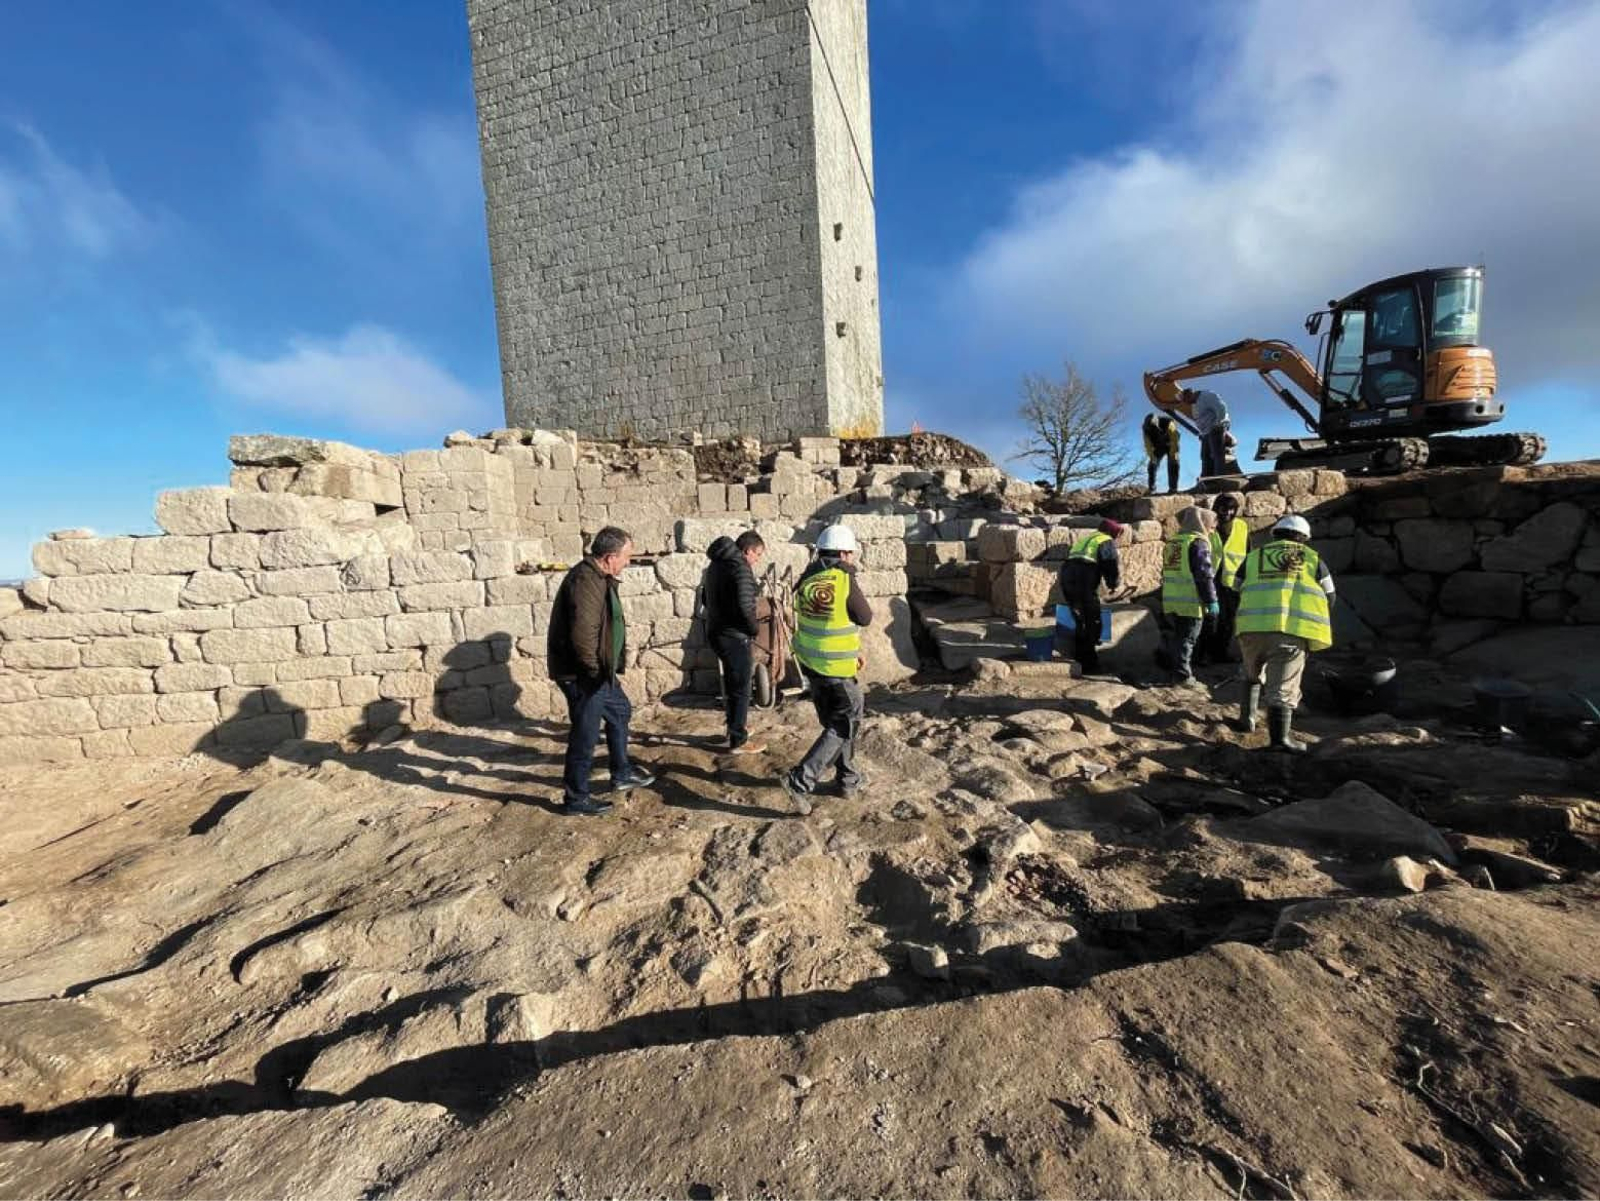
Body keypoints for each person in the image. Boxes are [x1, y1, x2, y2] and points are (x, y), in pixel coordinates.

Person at [547, 526, 655, 815]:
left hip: (597, 672)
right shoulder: (586, 582)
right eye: (626, 557)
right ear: (609, 557)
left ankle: (621, 772)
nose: (628, 563)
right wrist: (595, 673)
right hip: (583, 674)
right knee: (585, 735)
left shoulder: (598, 577)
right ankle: (576, 798)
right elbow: (583, 637)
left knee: (620, 711)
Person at [780, 523, 872, 814]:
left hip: (813, 667)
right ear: (845, 553)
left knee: (836, 726)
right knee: (844, 726)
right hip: (836, 671)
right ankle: (799, 781)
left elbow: (822, 623)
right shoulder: (843, 579)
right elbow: (864, 616)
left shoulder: (807, 581)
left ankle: (847, 779)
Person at [1235, 514, 1335, 752]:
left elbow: (1237, 586)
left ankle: (1246, 720)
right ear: (1303, 538)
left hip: (1250, 628)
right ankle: (1280, 740)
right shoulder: (1312, 559)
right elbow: (1330, 594)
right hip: (1290, 631)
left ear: (1275, 534)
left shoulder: (1253, 557)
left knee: (1251, 673)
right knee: (1283, 686)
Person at [702, 530, 767, 754]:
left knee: (732, 683)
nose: (757, 560)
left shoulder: (715, 565)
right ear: (748, 550)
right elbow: (745, 605)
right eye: (757, 555)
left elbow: (704, 598)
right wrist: (754, 629)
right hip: (734, 635)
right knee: (741, 687)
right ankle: (739, 740)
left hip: (716, 631)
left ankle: (734, 727)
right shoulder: (741, 568)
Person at [1056, 518, 1125, 674]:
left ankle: (1079, 657)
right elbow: (1110, 563)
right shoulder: (1106, 540)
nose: (1117, 538)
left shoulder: (1088, 538)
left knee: (1078, 617)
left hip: (1067, 576)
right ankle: (1090, 664)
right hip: (1083, 577)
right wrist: (1113, 584)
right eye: (1117, 535)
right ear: (1112, 532)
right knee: (1092, 619)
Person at [1160, 506, 1218, 684]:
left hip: (1172, 599)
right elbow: (1203, 574)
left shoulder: (1173, 542)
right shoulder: (1197, 543)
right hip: (1190, 601)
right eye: (1211, 525)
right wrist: (1211, 600)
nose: (1212, 529)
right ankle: (1182, 676)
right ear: (1202, 523)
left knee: (1179, 637)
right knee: (1187, 639)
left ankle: (1175, 670)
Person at [1205, 492, 1250, 662]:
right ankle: (1206, 654)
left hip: (1233, 581)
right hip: (1211, 579)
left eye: (1232, 509)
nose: (1228, 513)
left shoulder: (1241, 526)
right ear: (1216, 509)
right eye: (1224, 509)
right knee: (1211, 619)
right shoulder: (1208, 526)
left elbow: (1248, 552)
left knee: (1228, 620)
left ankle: (1220, 653)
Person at [1183, 388, 1236, 478]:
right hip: (1206, 432)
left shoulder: (1207, 396)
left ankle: (1220, 478)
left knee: (1217, 454)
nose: (1186, 403)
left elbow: (1221, 408)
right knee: (1205, 455)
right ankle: (1207, 478)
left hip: (1216, 428)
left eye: (1186, 400)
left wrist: (1218, 423)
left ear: (1190, 395)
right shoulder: (1195, 402)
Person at [1142, 413, 1181, 493]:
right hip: (1158, 446)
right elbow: (1147, 445)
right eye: (1150, 428)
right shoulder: (1145, 429)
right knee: (1152, 466)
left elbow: (1174, 440)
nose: (1152, 430)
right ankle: (1152, 489)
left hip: (1171, 443)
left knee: (1173, 463)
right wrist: (1152, 458)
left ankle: (1173, 488)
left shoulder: (1168, 422)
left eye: (1153, 427)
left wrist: (1172, 454)